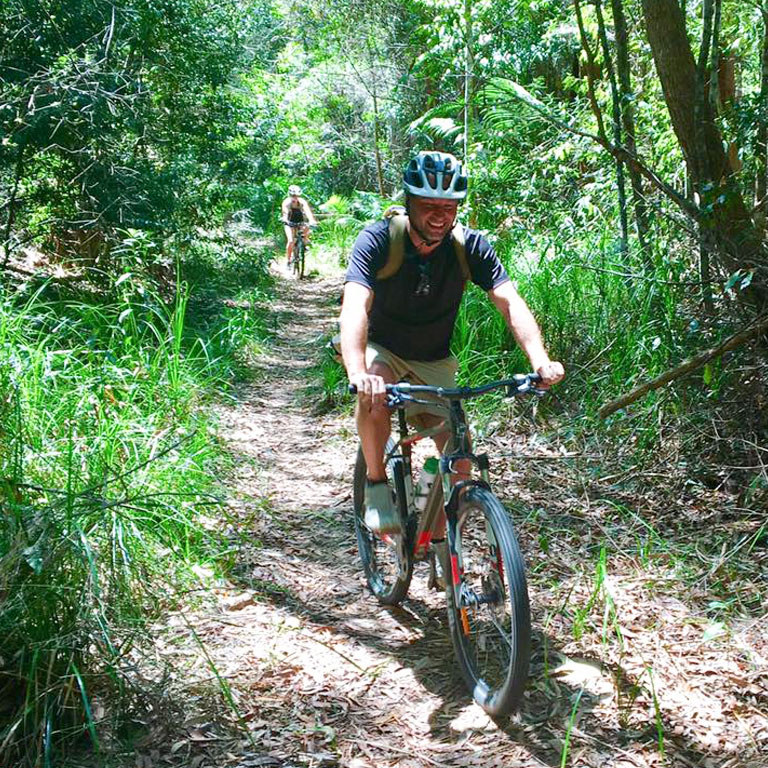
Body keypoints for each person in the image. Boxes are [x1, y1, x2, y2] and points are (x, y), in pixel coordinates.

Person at [339, 150, 564, 535]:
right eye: (428, 206)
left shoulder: (469, 246)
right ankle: (376, 484)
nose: (440, 216)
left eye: (449, 206)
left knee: (458, 457)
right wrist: (358, 372)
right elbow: (356, 305)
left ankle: (438, 540)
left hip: (434, 359)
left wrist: (540, 361)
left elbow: (509, 301)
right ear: (409, 203)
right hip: (384, 348)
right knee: (375, 385)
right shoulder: (377, 240)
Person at [281, 185, 318, 268]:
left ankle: (304, 242)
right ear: (290, 196)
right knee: (290, 241)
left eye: (297, 196)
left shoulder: (302, 202)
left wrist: (311, 220)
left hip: (300, 221)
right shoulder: (286, 202)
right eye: (293, 196)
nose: (295, 198)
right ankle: (288, 260)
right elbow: (285, 213)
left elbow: (308, 212)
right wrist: (285, 220)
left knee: (308, 227)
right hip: (289, 222)